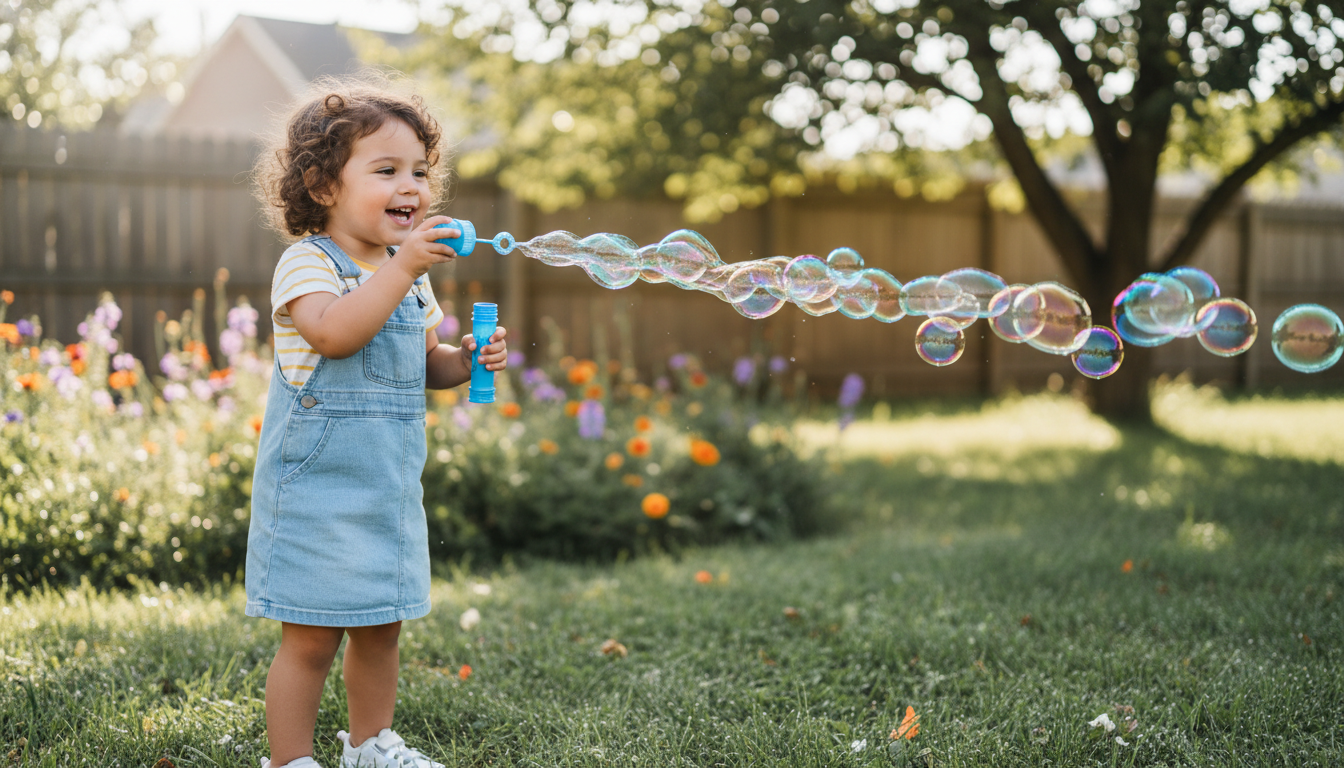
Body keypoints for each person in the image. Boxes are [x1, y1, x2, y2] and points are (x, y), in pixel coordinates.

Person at [247, 75, 507, 768]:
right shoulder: (307, 264)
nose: (412, 187)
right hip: (315, 489)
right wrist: (405, 271)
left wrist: (469, 357)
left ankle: (370, 746)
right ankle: (290, 760)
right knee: (310, 639)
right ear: (324, 186)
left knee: (381, 627)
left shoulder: (406, 272)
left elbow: (428, 366)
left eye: (421, 172)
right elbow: (335, 334)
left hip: (386, 485)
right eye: (387, 170)